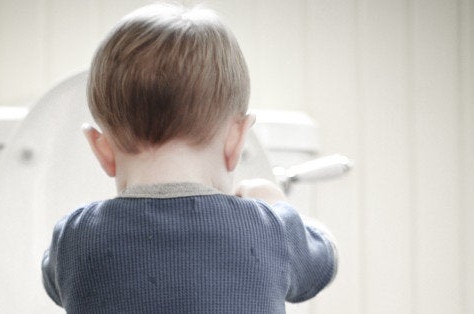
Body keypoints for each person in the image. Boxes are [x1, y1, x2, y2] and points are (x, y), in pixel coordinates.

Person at [42, 3, 337, 313]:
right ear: (236, 139)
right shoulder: (269, 229)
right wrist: (278, 204)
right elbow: (324, 258)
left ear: (102, 150)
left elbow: (54, 279)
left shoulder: (75, 236)